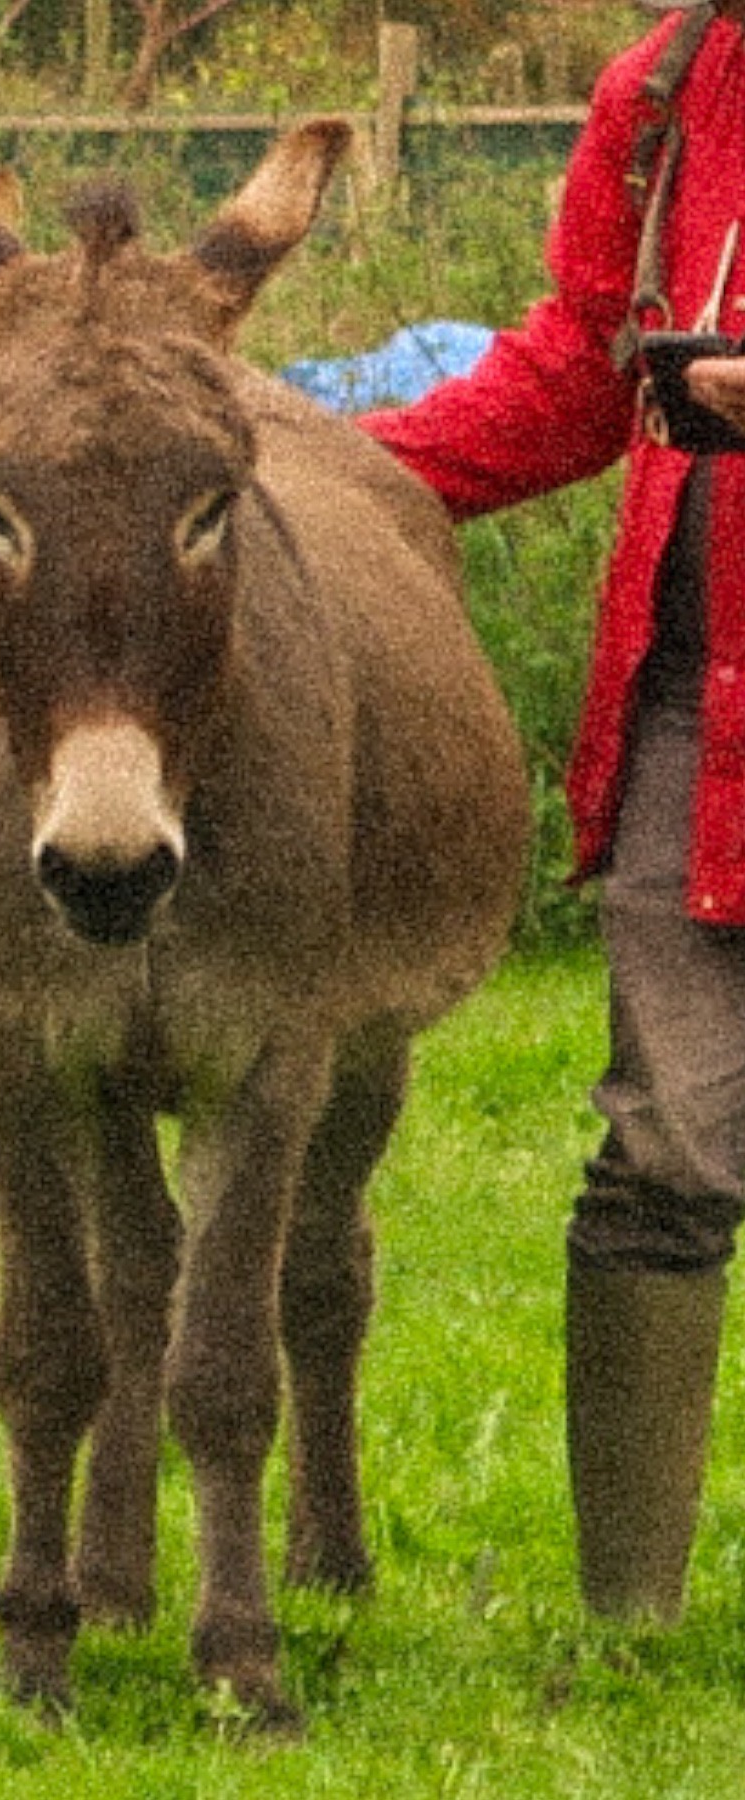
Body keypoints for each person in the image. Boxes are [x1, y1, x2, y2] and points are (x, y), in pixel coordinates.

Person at [356, 0, 745, 1624]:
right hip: (695, 706)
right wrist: (314, 465)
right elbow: (580, 376)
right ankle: (635, 1626)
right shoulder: (664, 89)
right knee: (664, 1148)